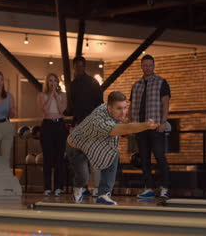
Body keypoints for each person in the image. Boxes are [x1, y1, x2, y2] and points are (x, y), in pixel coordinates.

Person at [67, 91, 159, 205]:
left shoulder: (108, 109)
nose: (123, 112)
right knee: (83, 177)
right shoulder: (100, 120)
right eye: (119, 108)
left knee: (113, 153)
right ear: (109, 108)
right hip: (77, 146)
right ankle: (77, 187)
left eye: (125, 108)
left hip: (95, 143)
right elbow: (127, 129)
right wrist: (145, 125)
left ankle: (103, 194)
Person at [129, 54, 171, 199]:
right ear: (141, 66)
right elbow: (132, 107)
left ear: (153, 66)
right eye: (145, 65)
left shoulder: (161, 82)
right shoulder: (136, 85)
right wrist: (131, 126)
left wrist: (163, 122)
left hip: (156, 126)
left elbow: (165, 103)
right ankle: (148, 188)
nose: (147, 68)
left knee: (160, 156)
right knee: (144, 159)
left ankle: (165, 187)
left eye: (150, 65)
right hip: (140, 127)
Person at [69, 56, 103, 196]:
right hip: (79, 124)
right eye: (77, 66)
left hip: (92, 123)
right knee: (79, 157)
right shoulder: (72, 84)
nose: (79, 68)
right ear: (74, 67)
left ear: (84, 66)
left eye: (81, 66)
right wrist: (73, 124)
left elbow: (100, 104)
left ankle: (96, 187)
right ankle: (83, 187)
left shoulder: (93, 82)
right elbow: (73, 106)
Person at [37, 73, 67, 197]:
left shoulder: (63, 95)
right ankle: (47, 187)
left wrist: (56, 95)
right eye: (50, 81)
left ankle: (58, 187)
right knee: (48, 158)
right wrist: (50, 95)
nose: (53, 83)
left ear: (58, 82)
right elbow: (45, 109)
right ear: (47, 82)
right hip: (47, 125)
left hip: (59, 125)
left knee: (59, 157)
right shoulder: (41, 95)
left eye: (55, 80)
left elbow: (61, 110)